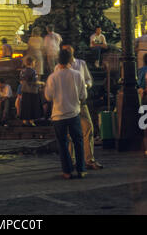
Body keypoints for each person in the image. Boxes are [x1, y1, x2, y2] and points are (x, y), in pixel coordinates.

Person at [45, 48, 87, 179]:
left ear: (58, 60)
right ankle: (81, 169)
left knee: (62, 144)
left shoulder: (53, 77)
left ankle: (67, 171)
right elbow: (83, 95)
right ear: (70, 60)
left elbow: (48, 96)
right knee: (78, 141)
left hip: (58, 114)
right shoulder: (77, 75)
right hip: (73, 113)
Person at [59, 45, 103, 170]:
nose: (67, 51)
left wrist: (86, 85)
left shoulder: (81, 63)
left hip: (80, 102)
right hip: (67, 103)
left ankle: (89, 159)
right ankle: (72, 160)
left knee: (88, 128)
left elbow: (89, 80)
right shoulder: (58, 67)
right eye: (65, 50)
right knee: (69, 133)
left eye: (69, 50)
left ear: (73, 51)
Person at [19, 57, 42, 127]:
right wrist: (41, 83)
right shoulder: (33, 71)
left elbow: (21, 81)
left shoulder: (22, 71)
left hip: (24, 90)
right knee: (32, 106)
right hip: (32, 91)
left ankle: (25, 121)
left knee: (25, 106)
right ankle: (31, 121)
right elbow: (34, 82)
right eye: (34, 62)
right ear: (32, 63)